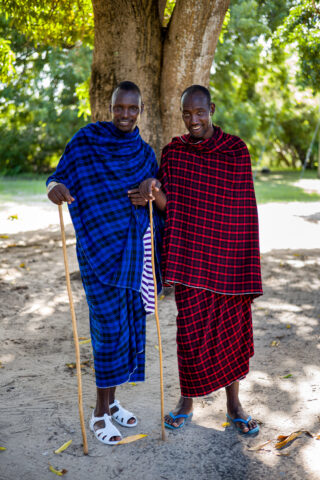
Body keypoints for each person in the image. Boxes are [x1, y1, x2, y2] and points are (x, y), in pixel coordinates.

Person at [139, 85, 263, 435]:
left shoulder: (235, 150)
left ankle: (234, 406)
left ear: (211, 108)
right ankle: (187, 402)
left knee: (231, 335)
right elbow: (170, 207)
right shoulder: (175, 154)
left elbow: (242, 210)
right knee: (189, 334)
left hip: (228, 262)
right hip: (192, 261)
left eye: (199, 112)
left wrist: (240, 264)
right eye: (186, 114)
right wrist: (153, 188)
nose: (193, 120)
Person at [46, 81, 165, 445]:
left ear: (141, 111)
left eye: (132, 108)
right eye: (119, 108)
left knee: (128, 328)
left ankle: (112, 405)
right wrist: (53, 189)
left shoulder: (145, 154)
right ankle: (98, 413)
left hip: (134, 256)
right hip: (98, 255)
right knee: (108, 331)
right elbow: (59, 175)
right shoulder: (87, 141)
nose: (125, 115)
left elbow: (160, 204)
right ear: (110, 108)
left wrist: (150, 189)